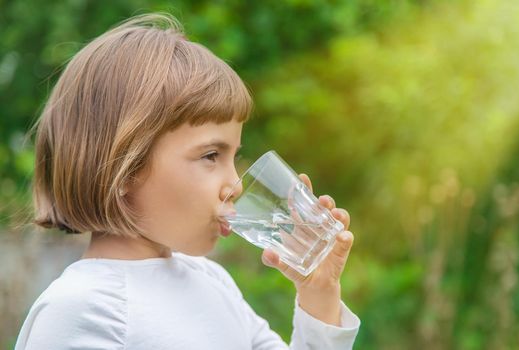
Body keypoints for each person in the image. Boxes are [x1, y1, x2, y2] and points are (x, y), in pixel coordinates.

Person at [15, 13, 360, 350]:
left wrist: (319, 293)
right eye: (211, 155)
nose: (235, 185)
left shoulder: (212, 282)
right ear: (123, 169)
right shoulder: (82, 309)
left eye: (233, 156)